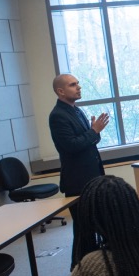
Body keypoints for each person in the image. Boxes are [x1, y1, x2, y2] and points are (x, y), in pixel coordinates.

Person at [49, 73, 109, 266]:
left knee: (96, 224)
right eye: (73, 85)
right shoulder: (58, 116)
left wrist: (94, 132)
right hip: (78, 180)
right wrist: (93, 131)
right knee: (84, 229)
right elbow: (70, 146)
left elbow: (90, 141)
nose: (78, 87)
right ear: (61, 91)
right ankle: (82, 268)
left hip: (91, 176)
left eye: (78, 83)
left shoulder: (76, 110)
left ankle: (95, 264)